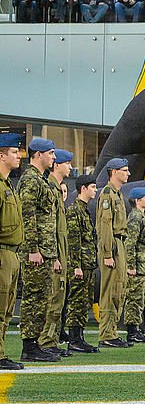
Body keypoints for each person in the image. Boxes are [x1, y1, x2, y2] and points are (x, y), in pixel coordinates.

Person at [17, 138, 60, 363]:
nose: (53, 157)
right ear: (38, 155)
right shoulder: (31, 180)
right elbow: (27, 215)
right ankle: (29, 346)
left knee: (42, 298)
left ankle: (34, 343)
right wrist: (33, 249)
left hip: (44, 250)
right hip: (36, 251)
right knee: (33, 298)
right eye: (50, 153)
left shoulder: (41, 180)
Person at [97, 157, 131, 348]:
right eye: (125, 170)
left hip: (119, 244)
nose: (128, 173)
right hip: (113, 245)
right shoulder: (108, 195)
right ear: (114, 171)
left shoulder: (117, 194)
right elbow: (105, 226)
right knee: (110, 291)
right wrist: (108, 253)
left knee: (118, 289)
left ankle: (112, 331)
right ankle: (106, 334)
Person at [40, 150, 71, 358]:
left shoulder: (56, 188)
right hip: (54, 251)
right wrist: (54, 257)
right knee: (52, 299)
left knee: (59, 299)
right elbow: (49, 226)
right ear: (57, 165)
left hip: (60, 248)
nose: (70, 167)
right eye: (66, 163)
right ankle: (45, 341)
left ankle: (51, 341)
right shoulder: (50, 187)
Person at [65, 173, 99, 353]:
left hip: (87, 264)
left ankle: (80, 337)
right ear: (83, 189)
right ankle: (74, 338)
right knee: (77, 301)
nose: (95, 190)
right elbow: (73, 241)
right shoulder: (74, 211)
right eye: (92, 187)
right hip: (80, 265)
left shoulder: (84, 210)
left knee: (84, 302)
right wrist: (76, 265)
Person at [0, 133, 25, 370]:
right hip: (2, 253)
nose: (19, 155)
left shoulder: (8, 185)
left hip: (12, 253)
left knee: (6, 309)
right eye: (14, 152)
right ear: (1, 155)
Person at [124, 187, 145, 345]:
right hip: (137, 266)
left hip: (144, 266)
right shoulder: (135, 218)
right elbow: (130, 243)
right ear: (137, 201)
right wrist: (131, 265)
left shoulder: (143, 217)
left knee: (140, 298)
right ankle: (132, 331)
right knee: (134, 299)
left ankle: (137, 329)